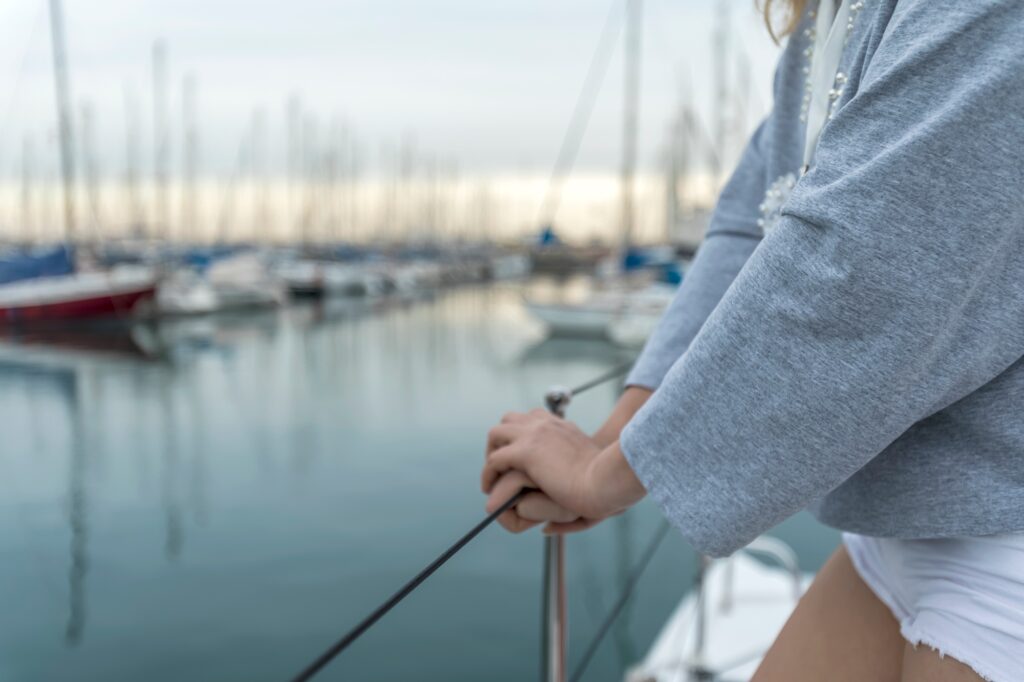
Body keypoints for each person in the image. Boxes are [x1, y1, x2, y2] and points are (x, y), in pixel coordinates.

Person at [480, 0, 1024, 680]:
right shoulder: (820, 25)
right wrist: (616, 438)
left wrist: (606, 477)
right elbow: (753, 219)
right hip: (900, 528)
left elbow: (865, 265)